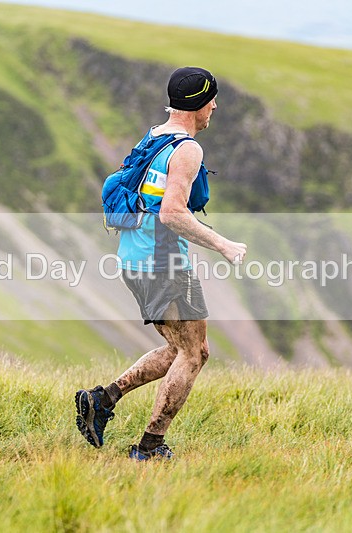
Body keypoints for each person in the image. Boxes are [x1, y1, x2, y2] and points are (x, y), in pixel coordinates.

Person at [75, 66, 247, 461]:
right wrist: (223, 244)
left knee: (180, 347)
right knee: (195, 353)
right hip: (164, 264)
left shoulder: (154, 137)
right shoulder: (188, 149)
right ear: (198, 104)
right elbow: (171, 213)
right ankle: (150, 446)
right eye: (212, 100)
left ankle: (101, 400)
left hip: (134, 260)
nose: (215, 107)